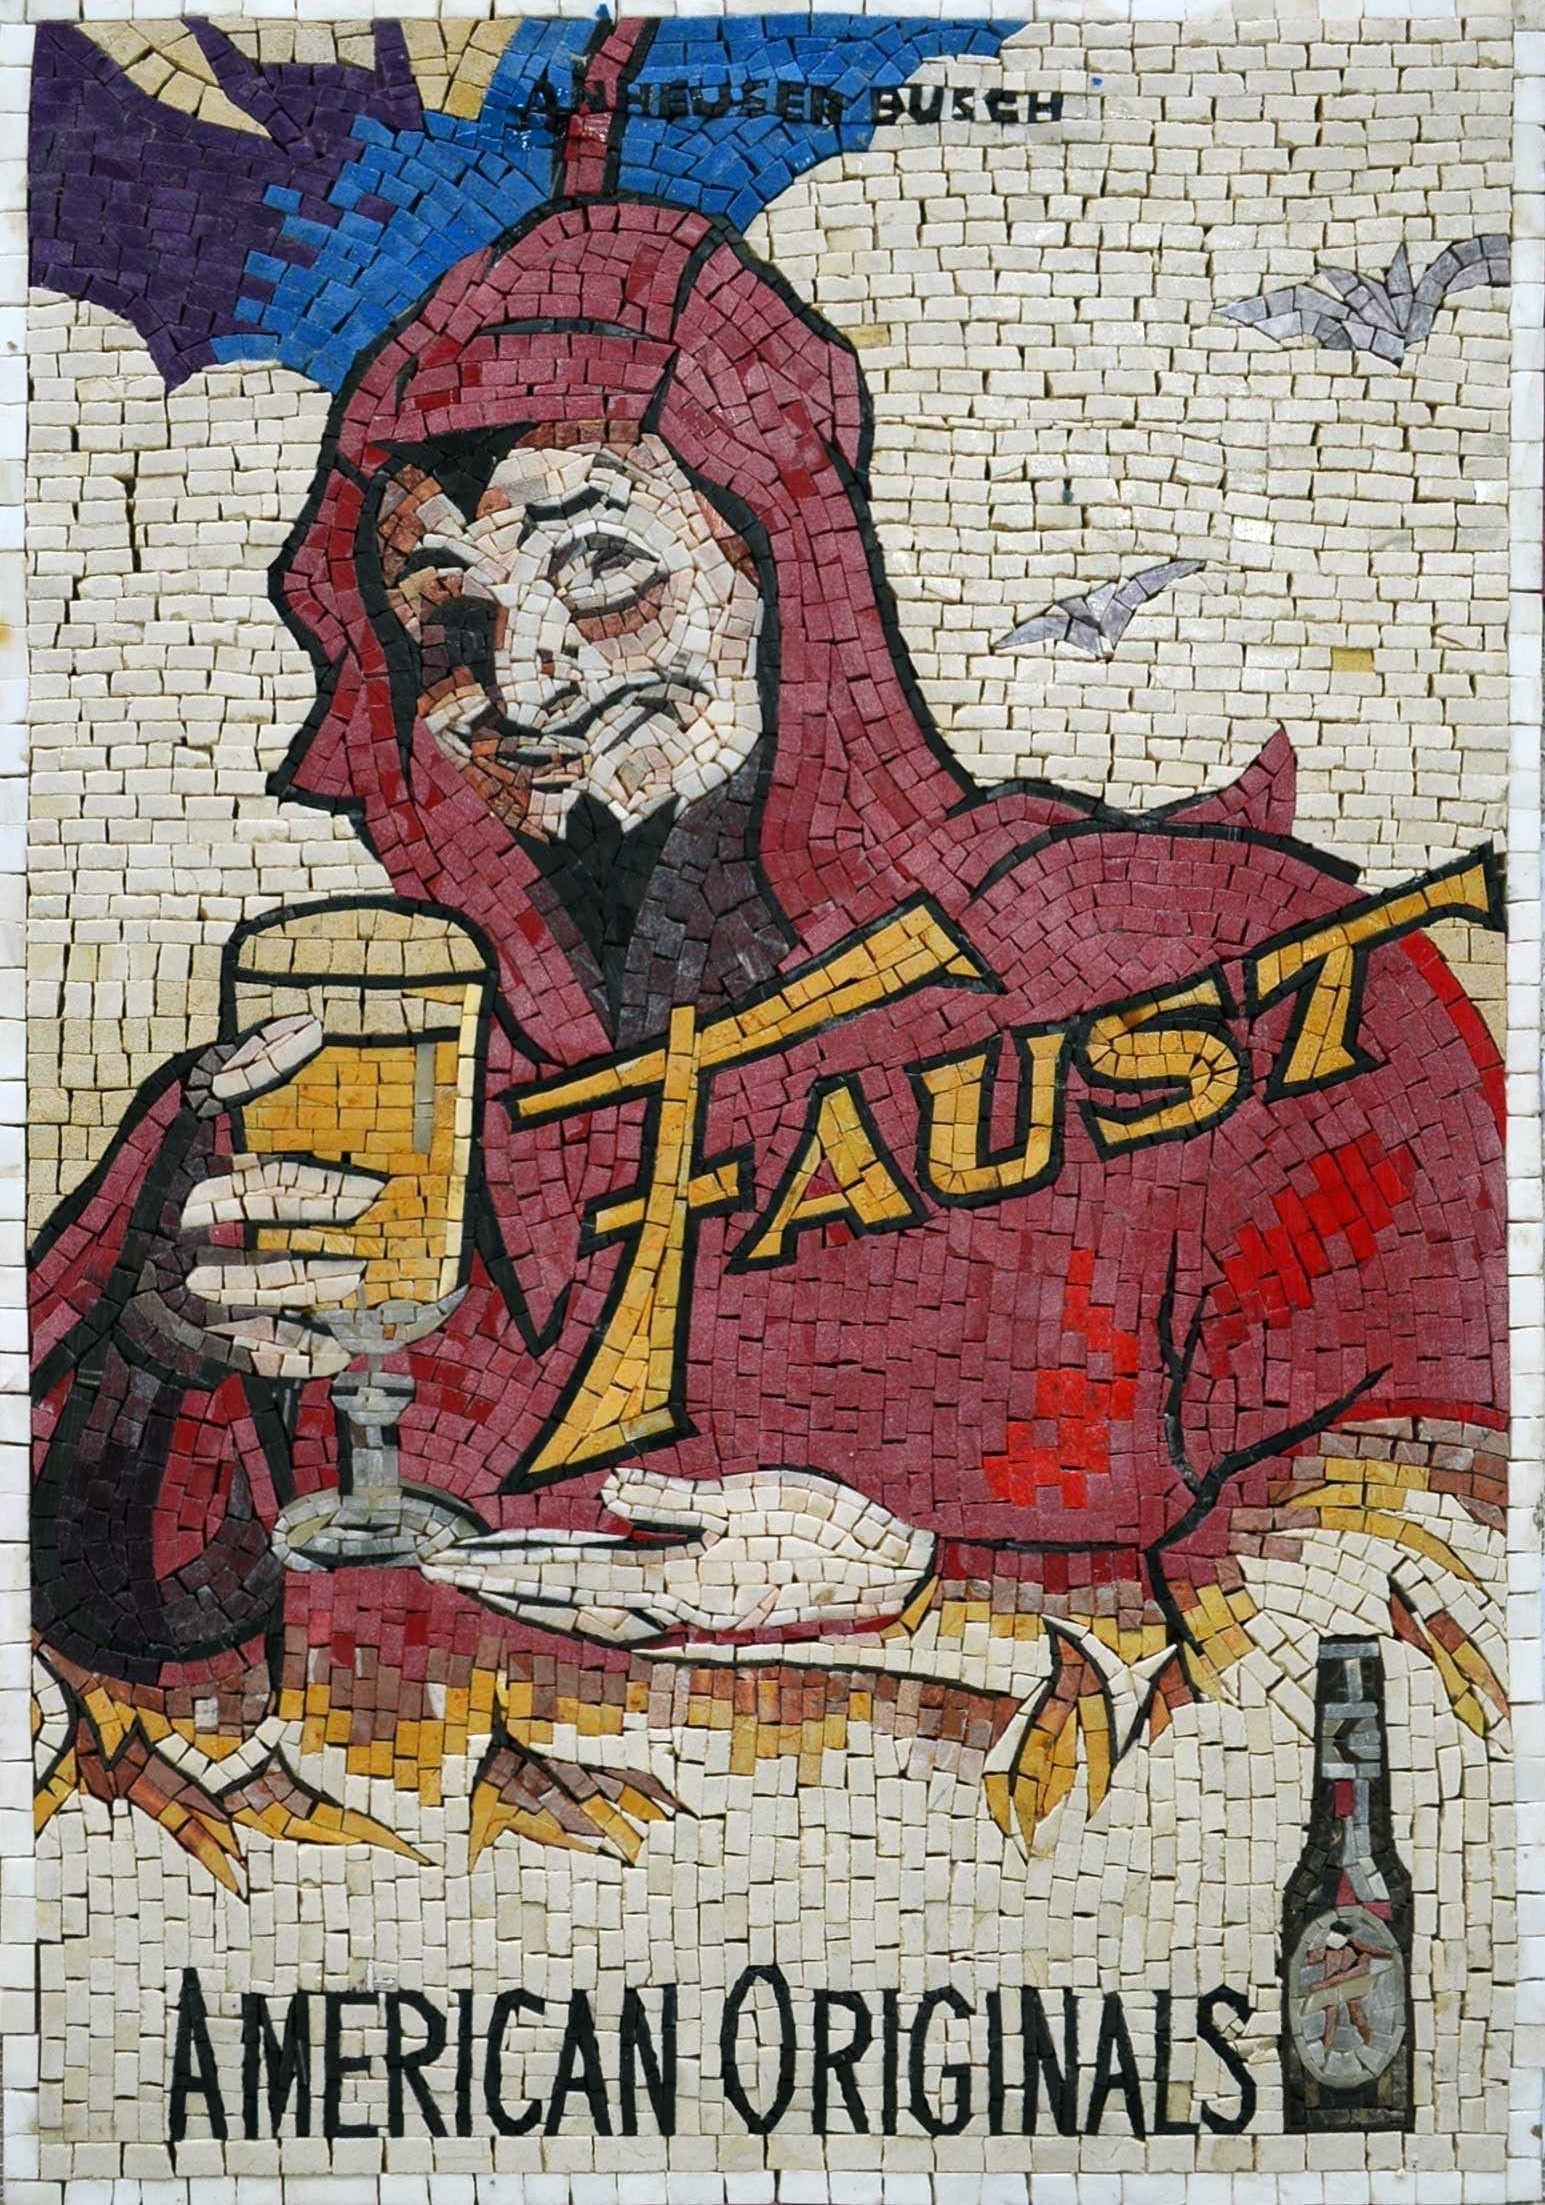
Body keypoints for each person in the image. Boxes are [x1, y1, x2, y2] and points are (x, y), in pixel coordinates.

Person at [31, 197, 1507, 1824]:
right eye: (448, 618)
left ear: (782, 558)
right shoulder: (299, 1114)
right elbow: (113, 1699)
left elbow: (1427, 1633)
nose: (523, 686)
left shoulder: (1243, 979)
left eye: (603, 569)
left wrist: (929, 1593)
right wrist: (147, 1370)